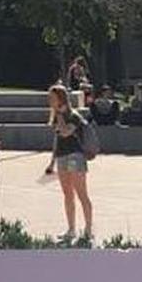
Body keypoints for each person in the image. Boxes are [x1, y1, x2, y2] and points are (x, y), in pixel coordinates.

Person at [48, 84, 94, 241]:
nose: (50, 101)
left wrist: (60, 116)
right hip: (62, 156)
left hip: (75, 156)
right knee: (67, 194)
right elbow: (57, 139)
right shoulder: (56, 116)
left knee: (81, 193)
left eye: (53, 98)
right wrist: (51, 162)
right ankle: (71, 229)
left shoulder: (73, 115)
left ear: (61, 99)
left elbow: (66, 132)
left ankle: (88, 228)